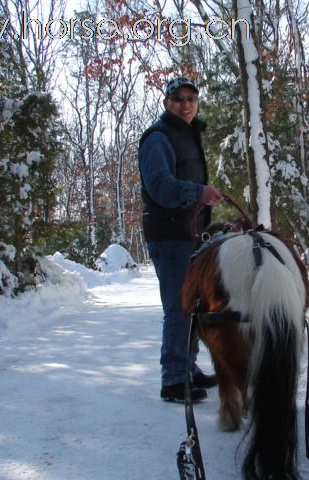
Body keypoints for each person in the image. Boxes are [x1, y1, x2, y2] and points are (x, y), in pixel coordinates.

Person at [138, 76, 223, 403]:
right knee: (178, 307)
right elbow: (160, 187)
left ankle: (188, 368)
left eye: (191, 98)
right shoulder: (158, 139)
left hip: (190, 235)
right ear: (166, 103)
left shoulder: (187, 134)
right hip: (170, 236)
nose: (185, 104)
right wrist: (198, 192)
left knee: (194, 305)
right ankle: (173, 379)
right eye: (178, 99)